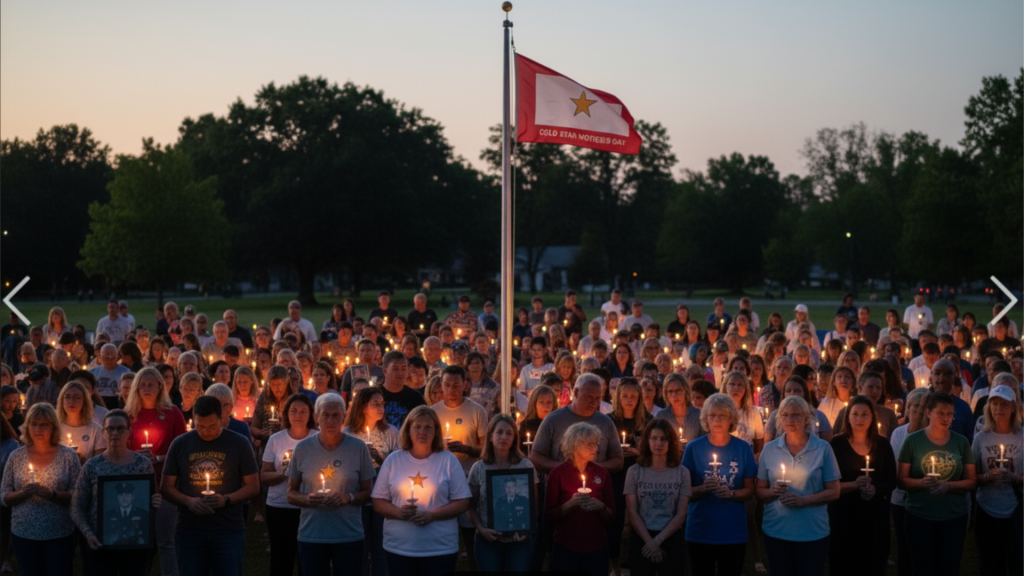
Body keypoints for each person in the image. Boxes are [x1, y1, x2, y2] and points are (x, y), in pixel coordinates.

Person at [162, 396, 261, 576]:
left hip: (228, 528)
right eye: (200, 426)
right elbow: (166, 487)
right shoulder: (180, 444)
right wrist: (189, 501)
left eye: (212, 426)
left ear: (222, 418)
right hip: (190, 530)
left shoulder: (239, 443)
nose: (206, 432)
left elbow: (253, 486)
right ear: (193, 418)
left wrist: (226, 499)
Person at [371, 405, 471, 576]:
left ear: (436, 432)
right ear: (408, 429)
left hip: (439, 548)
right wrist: (399, 512)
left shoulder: (448, 461)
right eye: (417, 427)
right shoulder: (394, 460)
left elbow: (463, 501)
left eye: (428, 428)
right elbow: (378, 501)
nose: (422, 432)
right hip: (399, 547)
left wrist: (432, 515)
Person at [285, 393, 375, 576]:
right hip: (312, 535)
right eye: (325, 415)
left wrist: (348, 497)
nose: (331, 420)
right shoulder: (302, 449)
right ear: (316, 417)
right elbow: (290, 493)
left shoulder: (358, 448)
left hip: (349, 535)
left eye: (336, 415)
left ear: (344, 417)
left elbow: (368, 491)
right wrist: (308, 499)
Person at [756, 395, 841, 576]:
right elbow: (759, 491)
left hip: (812, 531)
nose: (790, 420)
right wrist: (772, 491)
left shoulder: (823, 449)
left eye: (795, 415)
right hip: (777, 529)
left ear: (806, 418)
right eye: (785, 415)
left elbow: (834, 492)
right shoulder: (770, 449)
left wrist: (804, 500)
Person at [71, 409, 160, 576]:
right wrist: (87, 533)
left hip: (136, 541)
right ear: (103, 432)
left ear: (129, 431)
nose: (115, 433)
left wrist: (155, 503)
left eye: (120, 428)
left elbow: (149, 501)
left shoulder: (143, 464)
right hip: (100, 541)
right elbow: (76, 506)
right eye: (110, 429)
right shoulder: (92, 466)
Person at [897, 392, 977, 576]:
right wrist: (922, 483)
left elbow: (971, 481)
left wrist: (949, 486)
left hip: (953, 517)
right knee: (922, 567)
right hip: (919, 515)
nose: (946, 418)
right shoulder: (913, 441)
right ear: (928, 413)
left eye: (950, 414)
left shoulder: (961, 442)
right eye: (940, 413)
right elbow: (902, 480)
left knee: (949, 567)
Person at [0, 403, 81, 576]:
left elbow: (78, 494)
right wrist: (23, 493)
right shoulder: (16, 456)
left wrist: (52, 494)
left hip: (59, 532)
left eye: (44, 424)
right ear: (27, 427)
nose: (38, 429)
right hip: (24, 533)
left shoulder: (68, 455)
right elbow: (3, 495)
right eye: (34, 424)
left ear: (53, 427)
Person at [682, 393, 757, 576]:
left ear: (731, 418)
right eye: (712, 415)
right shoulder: (694, 448)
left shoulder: (743, 448)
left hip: (732, 529)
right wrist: (702, 488)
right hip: (701, 528)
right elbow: (683, 490)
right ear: (705, 418)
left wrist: (731, 494)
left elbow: (750, 489)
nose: (717, 420)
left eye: (722, 416)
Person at [125, 367, 187, 576]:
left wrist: (159, 458)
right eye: (142, 385)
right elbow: (119, 449)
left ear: (160, 386)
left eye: (151, 384)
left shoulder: (173, 413)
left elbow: (182, 449)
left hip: (165, 484)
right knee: (137, 540)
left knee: (166, 540)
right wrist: (138, 456)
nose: (146, 388)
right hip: (134, 486)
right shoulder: (129, 415)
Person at [828, 395, 897, 576]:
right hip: (844, 515)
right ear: (848, 416)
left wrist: (875, 489)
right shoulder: (837, 444)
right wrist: (854, 485)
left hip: (874, 516)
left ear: (872, 417)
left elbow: (891, 479)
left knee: (872, 565)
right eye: (855, 414)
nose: (860, 419)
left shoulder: (882, 445)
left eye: (865, 414)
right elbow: (828, 482)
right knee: (844, 564)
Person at [467, 414, 537, 572]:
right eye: (499, 432)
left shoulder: (525, 466)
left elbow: (533, 505)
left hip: (519, 541)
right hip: (487, 540)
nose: (504, 437)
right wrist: (481, 529)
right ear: (490, 436)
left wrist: (527, 531)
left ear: (514, 438)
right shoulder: (478, 468)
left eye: (509, 433)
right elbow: (470, 506)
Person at [544, 422, 615, 576]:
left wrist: (600, 507)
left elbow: (611, 515)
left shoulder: (601, 474)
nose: (596, 449)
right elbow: (549, 516)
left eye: (596, 444)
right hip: (566, 546)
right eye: (590, 444)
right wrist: (570, 504)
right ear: (574, 444)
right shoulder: (557, 474)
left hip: (596, 546)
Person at [343, 386, 399, 576]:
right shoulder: (348, 433)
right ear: (362, 407)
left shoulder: (391, 432)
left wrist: (381, 458)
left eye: (382, 403)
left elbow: (398, 467)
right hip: (359, 495)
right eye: (375, 403)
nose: (380, 407)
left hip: (382, 495)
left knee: (380, 549)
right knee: (360, 548)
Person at [624, 418, 691, 576]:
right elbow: (632, 511)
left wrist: (658, 541)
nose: (658, 443)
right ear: (647, 441)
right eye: (654, 438)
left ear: (671, 442)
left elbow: (681, 513)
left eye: (663, 439)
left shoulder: (682, 473)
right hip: (642, 536)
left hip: (671, 536)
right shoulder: (634, 472)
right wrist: (649, 542)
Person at [261, 393, 316, 576]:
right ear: (286, 414)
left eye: (303, 411)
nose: (298, 415)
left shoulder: (318, 438)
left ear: (310, 414)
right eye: (293, 411)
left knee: (307, 558)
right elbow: (264, 475)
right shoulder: (276, 439)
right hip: (279, 505)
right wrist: (281, 474)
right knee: (281, 558)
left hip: (309, 505)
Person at [971, 383, 1022, 576]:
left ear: (1013, 408)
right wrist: (985, 477)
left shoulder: (1022, 436)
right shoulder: (981, 438)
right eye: (995, 404)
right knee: (989, 562)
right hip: (986, 507)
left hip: (1015, 508)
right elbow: (970, 476)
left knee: (1016, 560)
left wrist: (1016, 478)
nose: (999, 409)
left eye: (1004, 404)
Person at [57, 380, 106, 463]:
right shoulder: (54, 428)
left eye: (77, 397)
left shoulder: (96, 430)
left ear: (85, 401)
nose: (71, 401)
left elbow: (99, 462)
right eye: (67, 397)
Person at [379, 351, 426, 429]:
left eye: (404, 369)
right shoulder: (374, 395)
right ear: (385, 370)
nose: (400, 373)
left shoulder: (415, 398)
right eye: (395, 369)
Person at [653, 373, 703, 443]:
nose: (674, 395)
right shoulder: (661, 417)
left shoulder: (698, 415)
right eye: (670, 391)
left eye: (678, 390)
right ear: (666, 394)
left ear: (685, 391)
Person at [90, 344, 131, 408]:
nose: (110, 360)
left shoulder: (125, 372)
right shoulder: (93, 372)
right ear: (101, 357)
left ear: (117, 357)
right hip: (98, 403)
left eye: (113, 357)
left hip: (118, 403)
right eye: (107, 357)